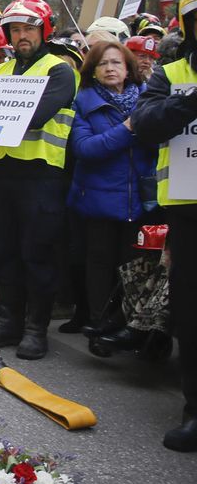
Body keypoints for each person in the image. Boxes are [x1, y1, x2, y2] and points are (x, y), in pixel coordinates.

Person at [0, 0, 78, 361]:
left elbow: (40, 113)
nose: (21, 36)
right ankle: (9, 323)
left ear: (43, 30)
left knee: (36, 254)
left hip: (41, 174)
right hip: (0, 173)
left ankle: (35, 329)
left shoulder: (58, 70)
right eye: (14, 29)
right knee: (3, 251)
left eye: (28, 28)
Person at [129, 0, 197, 451]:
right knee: (191, 312)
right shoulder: (170, 73)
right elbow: (146, 123)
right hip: (190, 210)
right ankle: (194, 407)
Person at [65, 39, 153, 341]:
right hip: (98, 200)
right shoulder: (83, 102)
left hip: (140, 199)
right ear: (93, 70)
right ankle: (99, 321)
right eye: (103, 63)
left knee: (135, 266)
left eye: (116, 62)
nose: (110, 68)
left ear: (128, 68)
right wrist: (128, 128)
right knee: (100, 263)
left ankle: (131, 326)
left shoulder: (149, 99)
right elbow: (85, 148)